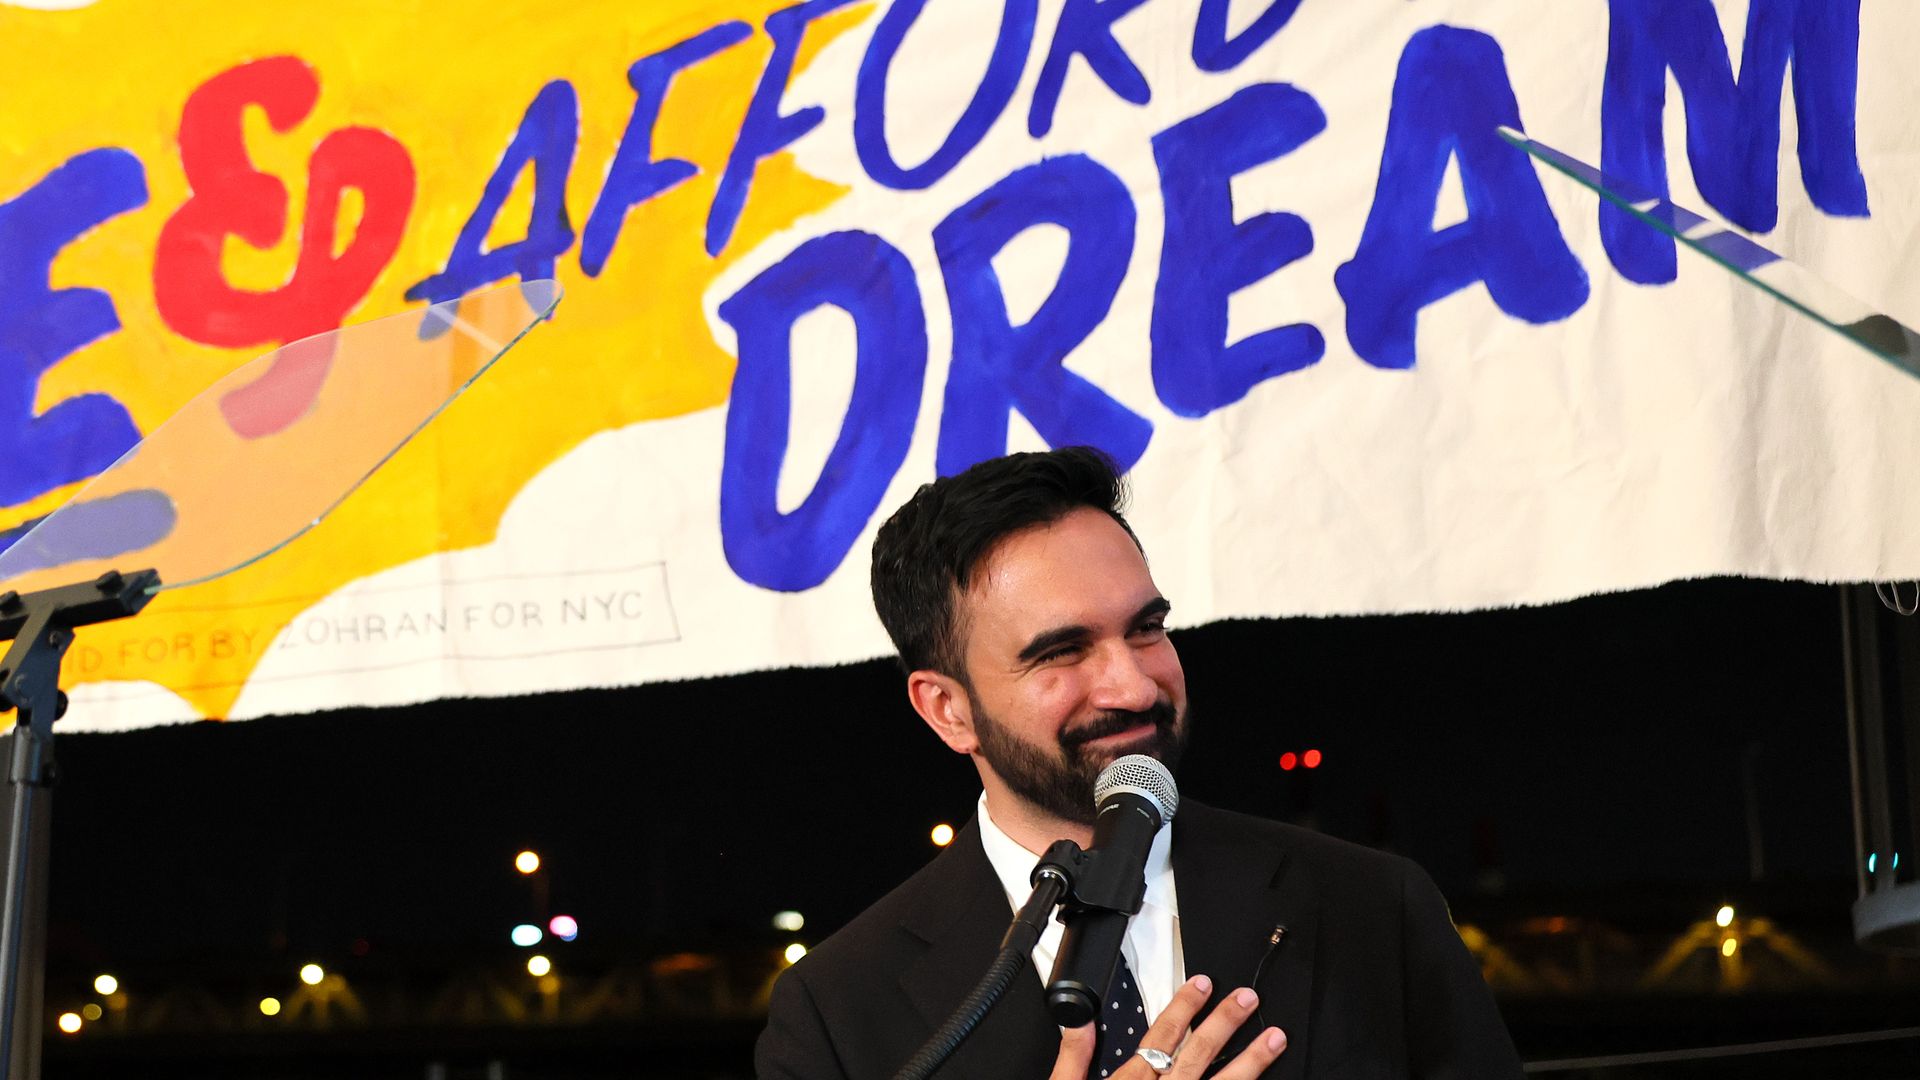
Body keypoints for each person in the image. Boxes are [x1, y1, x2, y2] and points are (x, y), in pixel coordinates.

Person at [756, 448, 1525, 1079]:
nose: (1132, 684)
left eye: (1147, 628)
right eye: (1060, 653)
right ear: (947, 709)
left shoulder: (1373, 907)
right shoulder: (833, 1012)